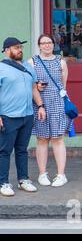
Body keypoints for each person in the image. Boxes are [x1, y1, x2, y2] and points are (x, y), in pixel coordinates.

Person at [0, 37, 46, 197]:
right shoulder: (1, 68)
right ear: (7, 50)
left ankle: (23, 180)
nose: (20, 50)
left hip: (27, 115)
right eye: (16, 47)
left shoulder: (27, 67)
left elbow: (34, 88)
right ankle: (3, 183)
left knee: (21, 150)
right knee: (4, 151)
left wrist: (40, 106)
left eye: (20, 47)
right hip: (8, 116)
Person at [28, 34, 72, 187]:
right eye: (43, 43)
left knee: (58, 138)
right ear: (39, 45)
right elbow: (29, 85)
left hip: (57, 103)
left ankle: (61, 174)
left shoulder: (61, 62)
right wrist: (37, 87)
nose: (46, 45)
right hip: (39, 103)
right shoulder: (32, 62)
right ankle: (42, 174)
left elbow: (63, 85)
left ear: (54, 45)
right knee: (41, 138)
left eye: (49, 43)